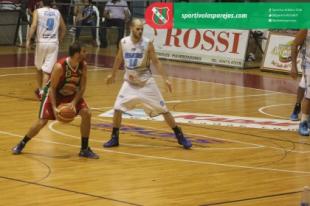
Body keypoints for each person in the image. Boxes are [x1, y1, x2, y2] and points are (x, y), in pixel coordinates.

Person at [103, 18, 192, 149]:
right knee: (117, 108)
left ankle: (180, 136)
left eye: (142, 29)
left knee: (164, 110)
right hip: (130, 84)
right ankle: (114, 138)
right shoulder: (123, 42)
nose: (140, 31)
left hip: (146, 84)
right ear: (131, 28)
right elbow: (118, 58)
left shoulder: (147, 43)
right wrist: (113, 74)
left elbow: (156, 61)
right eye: (138, 29)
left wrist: (166, 79)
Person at [12, 42, 99, 159]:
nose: (86, 53)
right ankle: (21, 144)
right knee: (42, 121)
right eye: (84, 51)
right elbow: (52, 88)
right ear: (77, 54)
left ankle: (84, 149)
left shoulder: (83, 65)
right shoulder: (60, 66)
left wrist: (73, 103)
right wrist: (54, 108)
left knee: (87, 113)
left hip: (71, 94)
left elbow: (82, 87)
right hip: (54, 94)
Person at [26, 0, 66, 101]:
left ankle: (41, 91)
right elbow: (64, 28)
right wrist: (60, 40)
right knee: (47, 71)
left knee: (39, 68)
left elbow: (34, 26)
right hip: (53, 43)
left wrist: (28, 40)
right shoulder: (57, 12)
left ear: (42, 2)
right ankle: (43, 93)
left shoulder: (37, 11)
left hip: (41, 43)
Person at [290, 30, 310, 136]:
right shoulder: (306, 27)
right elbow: (294, 45)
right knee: (308, 91)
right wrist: (293, 66)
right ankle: (304, 122)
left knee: (304, 86)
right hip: (308, 62)